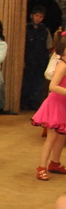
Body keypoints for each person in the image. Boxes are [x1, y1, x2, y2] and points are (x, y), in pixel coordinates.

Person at [33, 39, 66, 181]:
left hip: (63, 104)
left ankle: (55, 163)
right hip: (56, 104)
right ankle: (41, 167)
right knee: (51, 137)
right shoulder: (62, 65)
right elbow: (53, 86)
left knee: (61, 135)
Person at [24, 7, 54, 111]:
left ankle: (35, 104)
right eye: (36, 15)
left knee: (38, 84)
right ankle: (24, 103)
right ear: (31, 15)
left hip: (41, 61)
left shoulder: (45, 30)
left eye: (41, 17)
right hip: (28, 60)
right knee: (26, 83)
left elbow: (49, 46)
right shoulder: (25, 28)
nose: (38, 18)